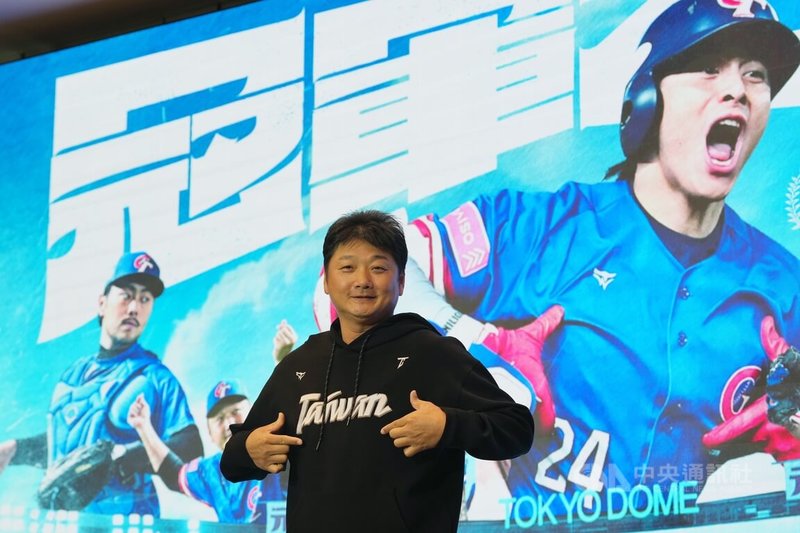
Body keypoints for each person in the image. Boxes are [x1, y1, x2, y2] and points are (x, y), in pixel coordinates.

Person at [394, 0, 800, 515]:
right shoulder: (542, 228)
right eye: (708, 67)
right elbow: (348, 278)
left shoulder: (784, 284)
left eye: (755, 75)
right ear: (648, 98)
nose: (737, 90)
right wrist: (472, 346)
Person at [220, 210, 535, 532]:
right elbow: (232, 461)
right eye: (347, 267)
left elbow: (516, 428)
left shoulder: (434, 354)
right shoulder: (299, 366)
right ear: (327, 281)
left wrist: (447, 426)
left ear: (401, 281)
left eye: (378, 268)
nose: (362, 281)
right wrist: (249, 449)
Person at [0, 252, 202, 516]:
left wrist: (126, 458)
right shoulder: (73, 376)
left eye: (145, 299)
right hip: (67, 525)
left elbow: (190, 448)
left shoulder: (155, 378)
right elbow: (70, 448)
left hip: (128, 522)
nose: (134, 308)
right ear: (102, 304)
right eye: (127, 295)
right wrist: (16, 449)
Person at [128, 379, 285, 524]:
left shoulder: (280, 452)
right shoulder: (212, 471)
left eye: (236, 412)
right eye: (220, 419)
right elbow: (173, 475)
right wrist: (143, 426)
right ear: (210, 434)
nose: (229, 424)